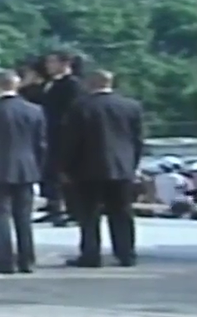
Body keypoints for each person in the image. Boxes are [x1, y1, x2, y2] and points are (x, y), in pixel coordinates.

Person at [61, 70, 144, 268]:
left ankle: (91, 254)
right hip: (122, 167)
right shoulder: (131, 107)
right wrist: (133, 164)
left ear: (91, 83)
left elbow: (71, 140)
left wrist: (65, 166)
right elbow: (138, 140)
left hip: (87, 168)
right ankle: (126, 254)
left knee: (89, 214)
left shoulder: (80, 107)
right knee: (122, 212)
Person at [0, 70, 47, 274]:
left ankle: (5, 260)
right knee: (24, 217)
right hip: (26, 168)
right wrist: (38, 168)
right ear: (17, 85)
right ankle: (27, 260)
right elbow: (41, 144)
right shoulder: (34, 111)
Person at [37, 50, 84, 227]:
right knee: (50, 173)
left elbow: (71, 112)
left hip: (62, 135)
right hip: (49, 135)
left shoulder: (72, 85)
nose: (48, 66)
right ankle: (53, 206)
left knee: (65, 174)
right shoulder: (50, 84)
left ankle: (74, 210)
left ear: (65, 64)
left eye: (52, 62)